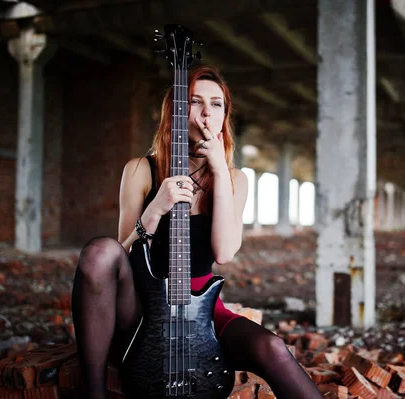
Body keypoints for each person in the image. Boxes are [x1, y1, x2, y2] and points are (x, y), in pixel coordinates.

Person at [71, 64, 324, 399]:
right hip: (141, 307)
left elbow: (224, 252)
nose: (207, 111)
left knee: (273, 347)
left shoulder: (235, 179)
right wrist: (155, 208)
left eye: (217, 104)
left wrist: (220, 170)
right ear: (175, 113)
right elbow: (119, 256)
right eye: (194, 102)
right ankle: (94, 392)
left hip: (200, 306)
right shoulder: (140, 169)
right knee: (100, 250)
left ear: (224, 115)